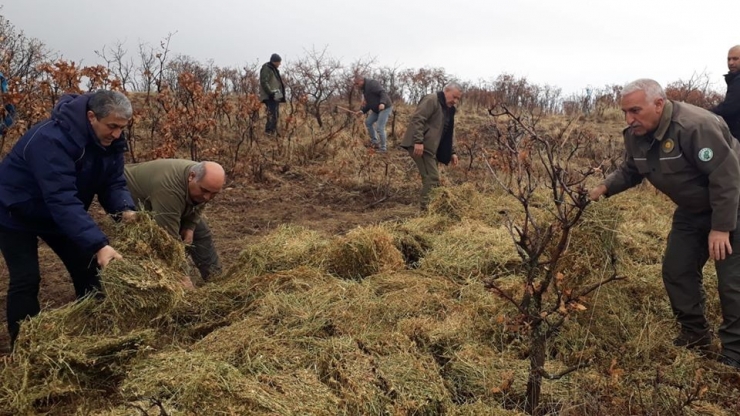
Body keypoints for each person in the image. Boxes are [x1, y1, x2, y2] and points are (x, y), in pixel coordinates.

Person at [589, 78, 740, 369]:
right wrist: (603, 188)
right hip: (692, 209)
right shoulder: (636, 133)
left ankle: (734, 352)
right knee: (676, 269)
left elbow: (726, 178)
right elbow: (633, 168)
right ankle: (695, 336)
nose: (629, 119)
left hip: (733, 207)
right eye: (625, 112)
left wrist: (721, 228)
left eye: (635, 110)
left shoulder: (696, 126)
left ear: (659, 104)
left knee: (732, 282)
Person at [0, 90, 136, 347]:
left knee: (89, 268)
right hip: (14, 210)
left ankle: (94, 331)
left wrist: (126, 210)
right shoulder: (51, 140)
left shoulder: (111, 142)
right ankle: (25, 348)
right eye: (112, 127)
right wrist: (99, 244)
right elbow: (61, 198)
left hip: (58, 215)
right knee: (27, 278)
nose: (117, 134)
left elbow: (113, 183)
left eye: (122, 128)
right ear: (91, 117)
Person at [124, 159, 225, 281]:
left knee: (201, 234)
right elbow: (169, 239)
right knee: (155, 242)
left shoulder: (201, 178)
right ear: (191, 177)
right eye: (204, 191)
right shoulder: (170, 190)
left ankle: (216, 279)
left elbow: (200, 202)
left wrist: (190, 226)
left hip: (163, 197)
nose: (207, 197)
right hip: (127, 196)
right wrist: (183, 276)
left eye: (213, 194)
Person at [400, 83, 462, 210]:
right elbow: (418, 119)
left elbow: (447, 131)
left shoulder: (448, 109)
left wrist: (452, 152)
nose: (455, 101)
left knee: (432, 178)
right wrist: (418, 141)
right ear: (446, 91)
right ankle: (426, 211)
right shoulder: (432, 99)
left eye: (458, 99)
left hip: (430, 148)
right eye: (454, 97)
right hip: (420, 146)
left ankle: (431, 208)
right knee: (431, 178)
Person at [353, 75, 393, 151]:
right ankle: (375, 142)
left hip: (385, 107)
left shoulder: (372, 84)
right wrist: (362, 111)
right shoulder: (364, 89)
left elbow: (382, 92)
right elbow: (369, 103)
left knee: (379, 128)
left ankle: (383, 148)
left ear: (361, 81)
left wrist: (382, 103)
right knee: (368, 122)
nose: (356, 86)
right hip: (376, 109)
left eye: (357, 84)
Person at [711, 45, 740, 140]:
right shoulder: (734, 80)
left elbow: (729, 108)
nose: (731, 63)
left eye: (735, 59)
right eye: (729, 59)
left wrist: (704, 113)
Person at [259, 53, 286, 135]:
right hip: (270, 96)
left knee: (275, 114)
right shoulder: (267, 68)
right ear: (275, 61)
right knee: (272, 114)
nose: (280, 64)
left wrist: (279, 96)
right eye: (279, 62)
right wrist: (270, 93)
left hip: (275, 95)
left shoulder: (273, 69)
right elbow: (264, 81)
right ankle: (269, 132)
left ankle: (272, 132)